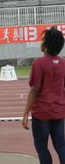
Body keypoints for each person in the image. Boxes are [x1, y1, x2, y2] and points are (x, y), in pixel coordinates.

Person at [22, 26, 65, 164]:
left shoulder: (39, 63)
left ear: (45, 44)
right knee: (61, 145)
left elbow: (34, 89)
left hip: (41, 113)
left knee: (41, 146)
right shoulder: (63, 63)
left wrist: (25, 113)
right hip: (58, 111)